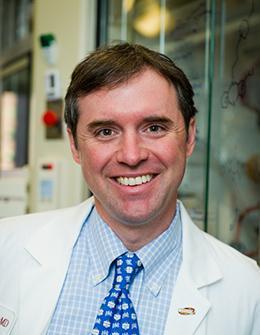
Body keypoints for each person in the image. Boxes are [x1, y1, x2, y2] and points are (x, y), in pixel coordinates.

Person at [0, 43, 259, 335]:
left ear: (189, 137)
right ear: (74, 145)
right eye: (106, 132)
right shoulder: (5, 250)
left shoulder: (249, 290)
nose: (132, 156)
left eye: (154, 128)